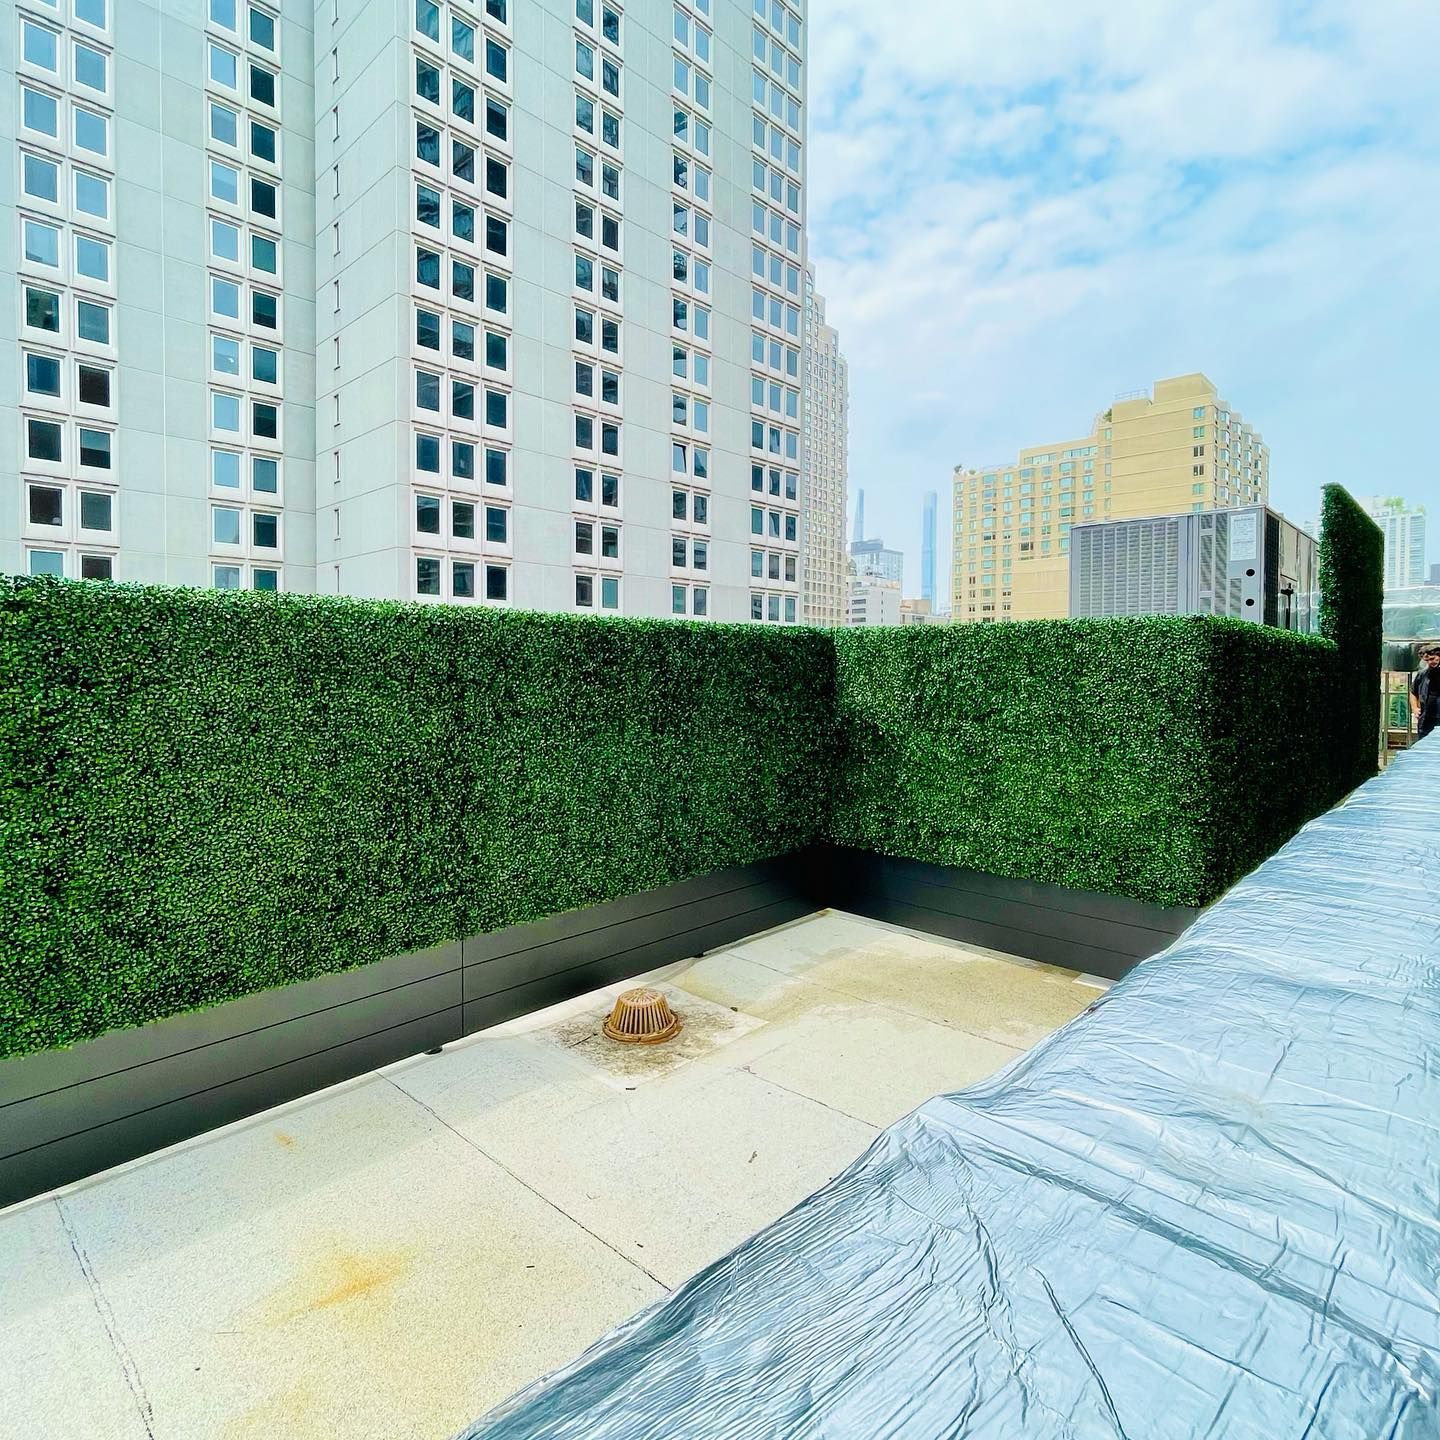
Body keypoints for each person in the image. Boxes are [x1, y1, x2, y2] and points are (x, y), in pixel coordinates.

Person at [1411, 645, 1440, 741]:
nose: (1431, 662)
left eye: (1433, 659)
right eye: (1428, 660)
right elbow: (1413, 692)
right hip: (1426, 718)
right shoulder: (1422, 674)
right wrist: (1415, 708)